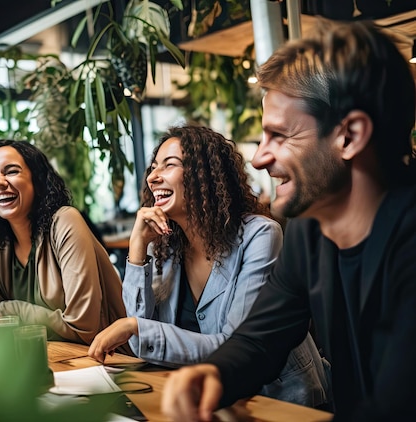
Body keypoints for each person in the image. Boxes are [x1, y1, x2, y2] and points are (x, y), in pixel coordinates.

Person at [161, 18, 416, 422]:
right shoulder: (311, 227)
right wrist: (214, 374)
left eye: (280, 136)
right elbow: (263, 335)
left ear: (348, 136)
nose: (260, 158)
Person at [88, 125, 330, 407]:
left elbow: (235, 346)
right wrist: (137, 249)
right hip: (205, 402)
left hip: (277, 403)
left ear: (204, 175)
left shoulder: (260, 236)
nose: (153, 177)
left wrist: (135, 328)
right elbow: (143, 342)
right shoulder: (165, 246)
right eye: (154, 168)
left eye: (169, 165)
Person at [0, 139, 127, 347]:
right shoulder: (1, 244)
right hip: (44, 361)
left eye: (11, 171)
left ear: (37, 180)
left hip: (106, 364)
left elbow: (84, 328)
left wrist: (8, 311)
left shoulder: (65, 221)